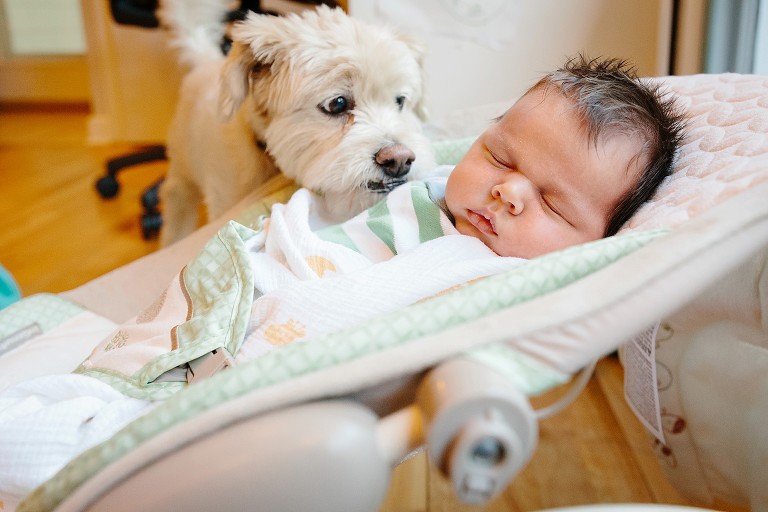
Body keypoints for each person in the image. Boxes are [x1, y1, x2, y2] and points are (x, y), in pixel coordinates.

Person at [0, 55, 687, 504]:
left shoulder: (496, 274)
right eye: (500, 155)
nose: (507, 191)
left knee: (79, 443)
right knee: (77, 392)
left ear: (596, 238)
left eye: (552, 202)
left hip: (256, 363)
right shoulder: (431, 182)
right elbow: (302, 223)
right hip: (213, 312)